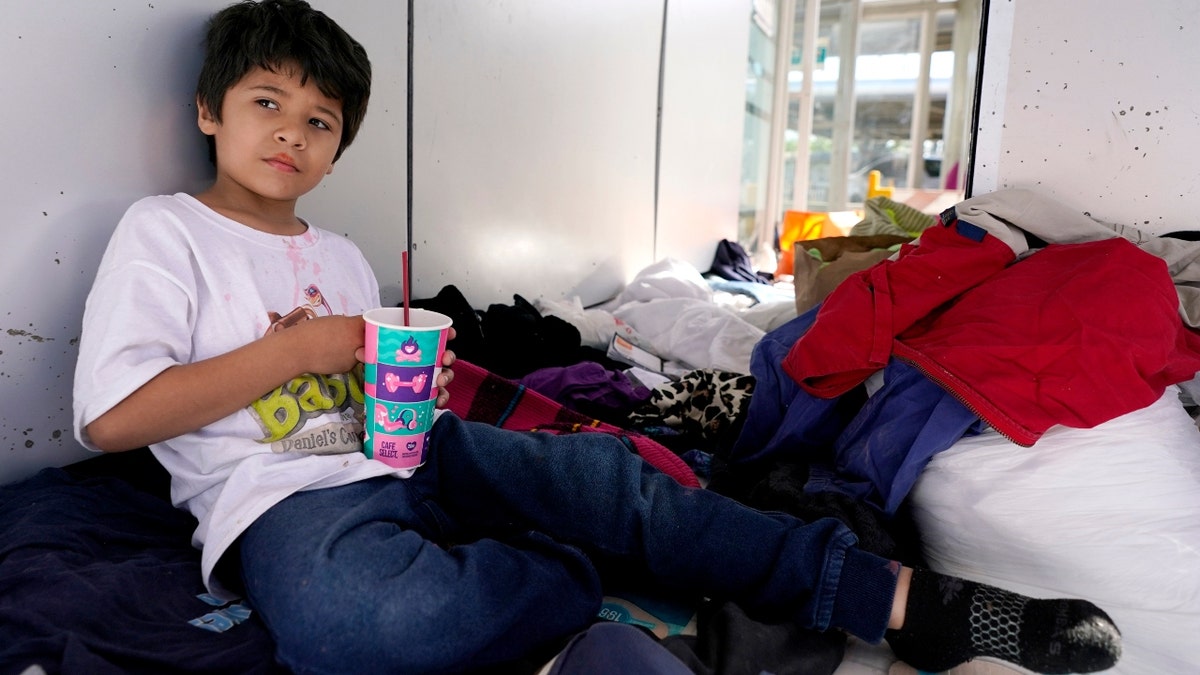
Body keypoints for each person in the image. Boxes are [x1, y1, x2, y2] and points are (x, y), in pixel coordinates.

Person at [71, 1, 1123, 673]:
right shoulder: (166, 233)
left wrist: (415, 385)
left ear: (339, 149)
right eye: (268, 104)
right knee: (367, 631)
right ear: (211, 110)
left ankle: (903, 604)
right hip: (284, 502)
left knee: (615, 478)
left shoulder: (340, 253)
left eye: (322, 121)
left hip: (407, 452)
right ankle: (578, 580)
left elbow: (393, 388)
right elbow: (112, 421)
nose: (292, 133)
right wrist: (299, 353)